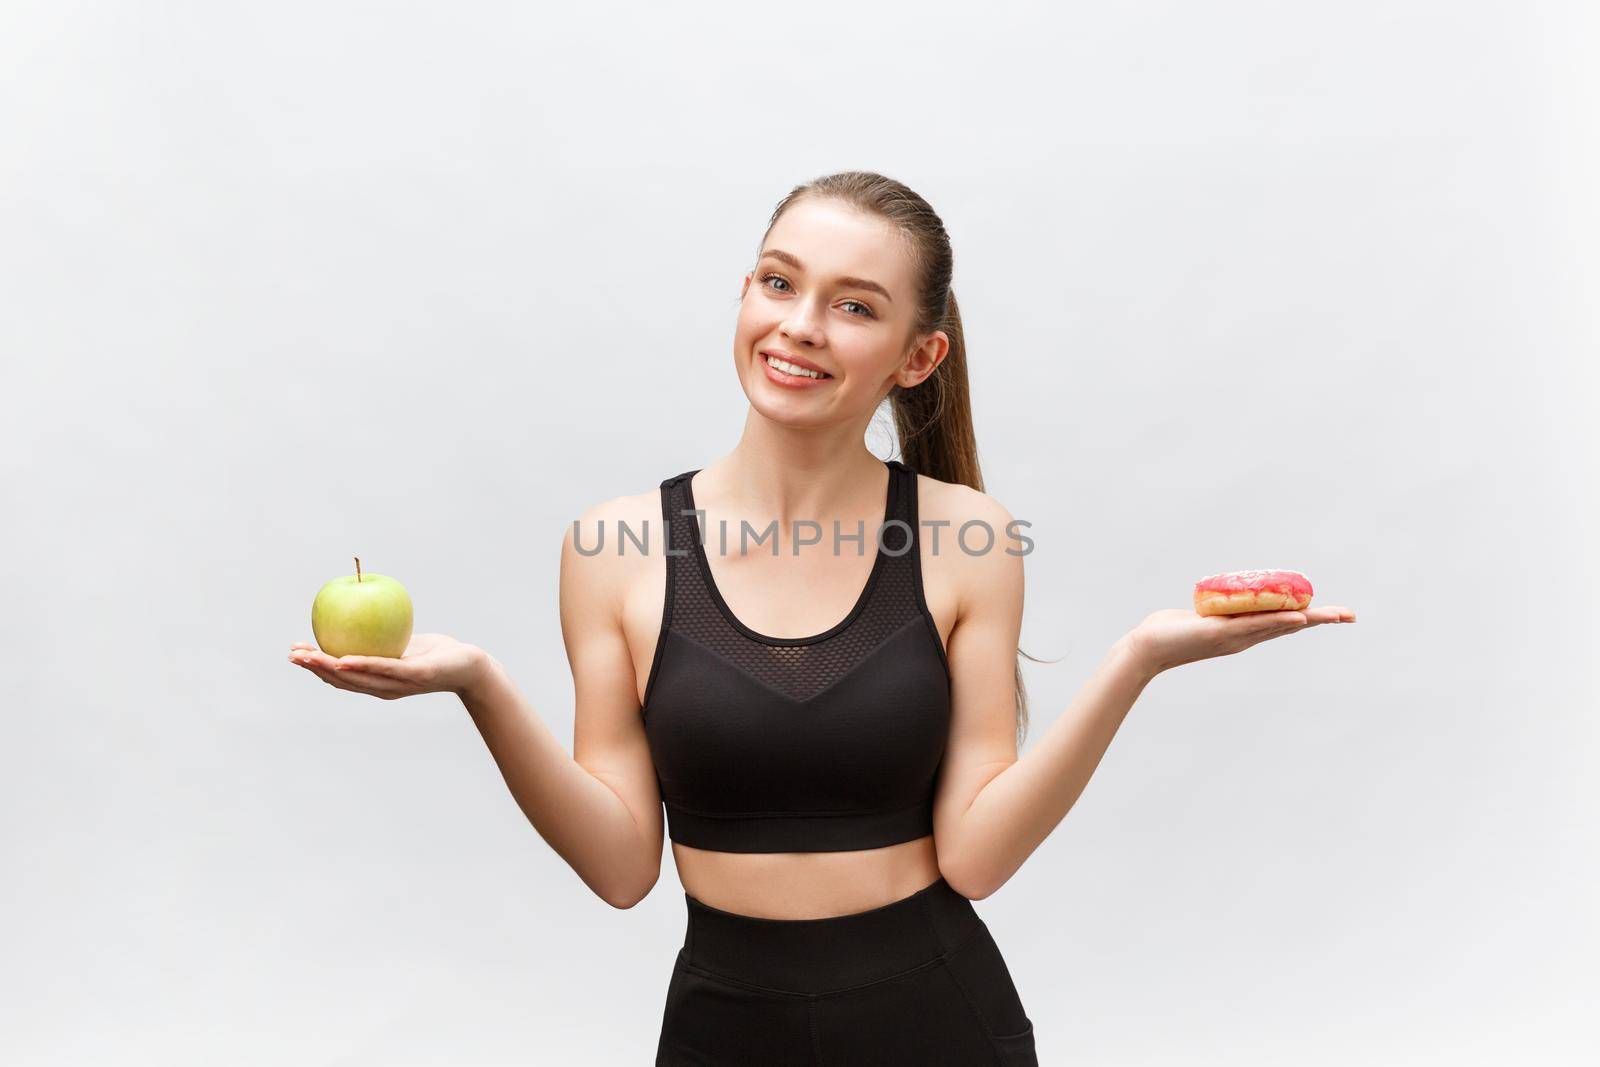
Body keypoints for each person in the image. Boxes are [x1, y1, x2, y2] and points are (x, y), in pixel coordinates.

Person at [288, 170, 1357, 1065]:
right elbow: (621, 866)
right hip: (722, 1027)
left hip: (937, 1022)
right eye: (777, 282)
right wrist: (479, 681)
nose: (798, 326)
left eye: (853, 304)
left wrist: (1137, 659)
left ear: (916, 356)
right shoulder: (612, 547)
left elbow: (975, 855)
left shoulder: (966, 538)